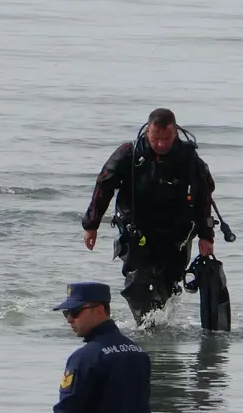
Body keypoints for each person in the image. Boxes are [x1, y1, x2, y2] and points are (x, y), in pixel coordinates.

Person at [80, 108, 217, 323]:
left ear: (176, 134)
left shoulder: (188, 158)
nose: (161, 144)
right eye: (156, 139)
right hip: (138, 231)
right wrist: (91, 224)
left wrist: (206, 236)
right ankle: (144, 327)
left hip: (176, 235)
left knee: (168, 287)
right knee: (138, 283)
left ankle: (159, 330)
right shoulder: (130, 153)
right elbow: (104, 186)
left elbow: (203, 198)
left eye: (166, 139)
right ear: (147, 134)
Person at [33, 282, 152, 413]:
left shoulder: (84, 358)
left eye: (75, 311)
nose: (69, 319)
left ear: (98, 310)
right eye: (66, 313)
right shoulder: (138, 353)